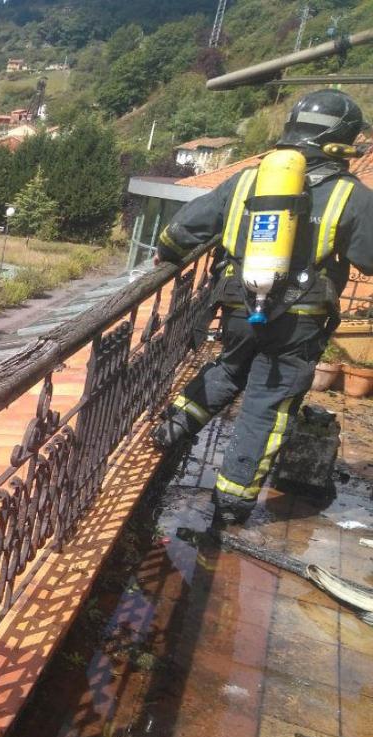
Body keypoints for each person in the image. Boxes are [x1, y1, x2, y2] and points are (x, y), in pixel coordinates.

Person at [152, 89, 373, 524]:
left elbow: (181, 232)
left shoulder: (247, 180)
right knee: (266, 404)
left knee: (230, 368)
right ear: (344, 141)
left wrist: (166, 252)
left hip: (237, 305)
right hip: (299, 323)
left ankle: (172, 427)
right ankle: (231, 502)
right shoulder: (353, 196)